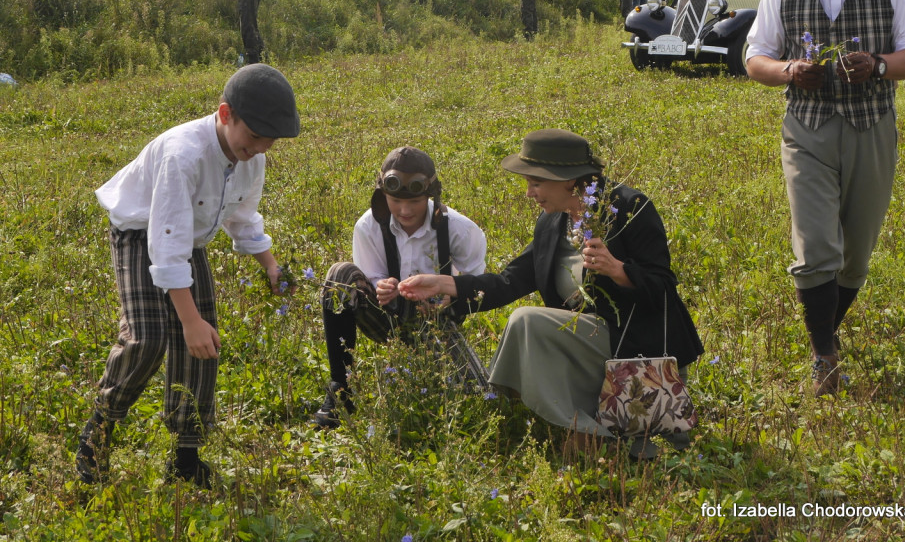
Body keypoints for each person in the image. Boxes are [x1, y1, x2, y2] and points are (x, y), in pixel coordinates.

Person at [398, 129, 704, 455]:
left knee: (526, 322)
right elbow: (511, 281)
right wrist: (448, 284)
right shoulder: (551, 223)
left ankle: (582, 429)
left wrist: (618, 270)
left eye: (536, 183)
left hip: (640, 350)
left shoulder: (629, 207)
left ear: (569, 181)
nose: (530, 193)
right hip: (586, 350)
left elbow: (662, 289)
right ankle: (526, 418)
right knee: (526, 322)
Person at [745, 0, 905, 396]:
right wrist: (787, 72)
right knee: (816, 246)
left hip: (872, 126)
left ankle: (827, 329)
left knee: (856, 254)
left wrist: (878, 66)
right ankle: (823, 355)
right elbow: (754, 57)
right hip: (807, 129)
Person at [75, 64, 301, 487]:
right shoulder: (184, 155)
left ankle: (185, 455)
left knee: (204, 343)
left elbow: (243, 218)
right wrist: (189, 319)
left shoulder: (252, 159)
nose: (259, 148)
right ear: (224, 113)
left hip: (188, 240)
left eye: (269, 142)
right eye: (253, 137)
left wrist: (271, 266)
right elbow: (166, 243)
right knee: (148, 337)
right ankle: (97, 435)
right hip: (141, 233)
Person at [314, 147, 488, 427]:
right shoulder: (368, 226)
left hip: (437, 323)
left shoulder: (461, 230)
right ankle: (340, 388)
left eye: (416, 201)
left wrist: (448, 297)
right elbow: (367, 280)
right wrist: (381, 286)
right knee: (340, 274)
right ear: (383, 195)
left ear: (430, 197)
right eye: (395, 200)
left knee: (478, 394)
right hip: (387, 317)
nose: (405, 210)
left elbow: (476, 289)